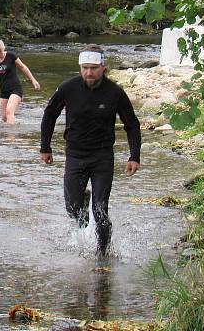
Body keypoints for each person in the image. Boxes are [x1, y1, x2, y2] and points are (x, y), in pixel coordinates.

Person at [39, 45, 141, 256]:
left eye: (94, 68)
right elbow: (50, 114)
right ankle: (82, 202)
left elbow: (132, 123)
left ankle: (102, 253)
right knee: (73, 209)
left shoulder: (115, 93)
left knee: (101, 210)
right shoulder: (68, 88)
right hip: (75, 155)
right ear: (80, 68)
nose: (89, 73)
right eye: (85, 68)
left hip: (102, 157)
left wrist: (134, 156)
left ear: (103, 67)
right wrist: (45, 147)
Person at [0, 39, 41, 124]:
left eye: (0, 51)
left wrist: (33, 80)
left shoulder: (11, 56)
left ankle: (11, 136)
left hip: (15, 88)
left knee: (9, 111)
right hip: (4, 90)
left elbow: (22, 67)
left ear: (3, 49)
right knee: (4, 117)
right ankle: (12, 128)